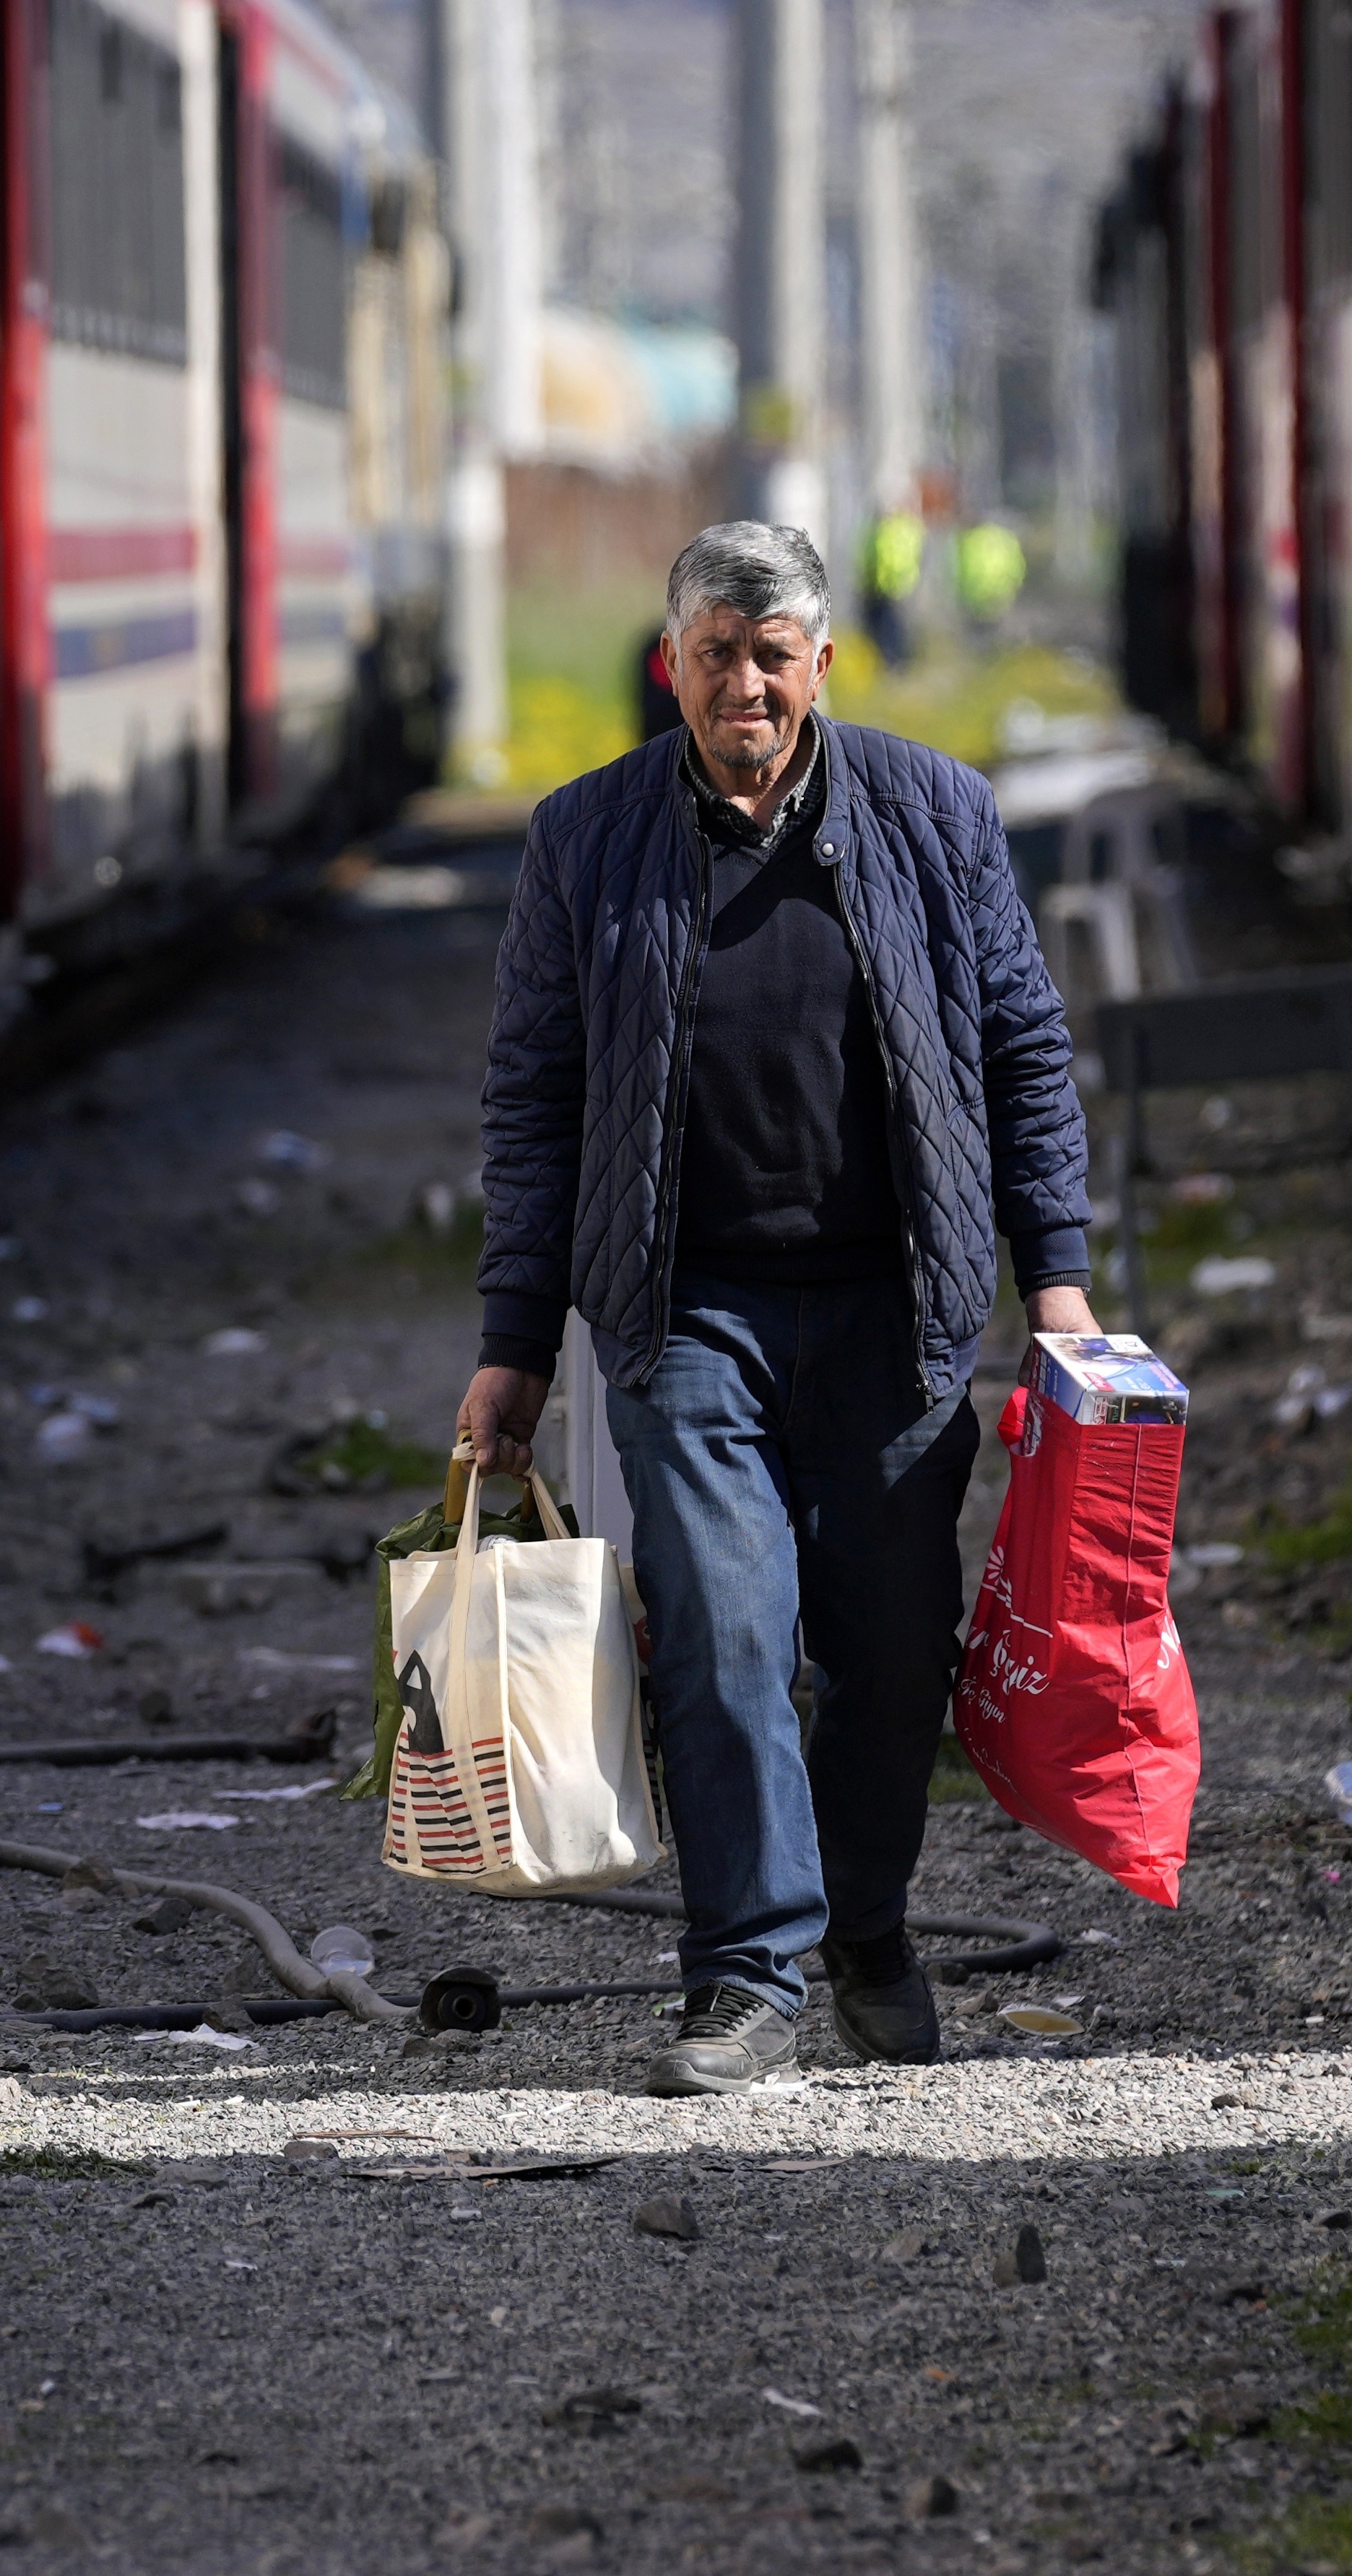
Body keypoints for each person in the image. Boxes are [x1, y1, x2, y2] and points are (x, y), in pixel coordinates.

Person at [462, 522, 1098, 2095]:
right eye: (714, 652)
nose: (743, 682)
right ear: (668, 663)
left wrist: (1059, 1282)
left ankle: (867, 1927)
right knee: (730, 1639)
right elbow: (535, 1103)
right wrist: (514, 1345)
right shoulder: (585, 840)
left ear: (822, 662)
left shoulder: (935, 814)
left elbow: (1022, 1048)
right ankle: (745, 1974)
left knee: (891, 1653)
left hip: (895, 1306)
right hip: (689, 1313)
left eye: (772, 653)